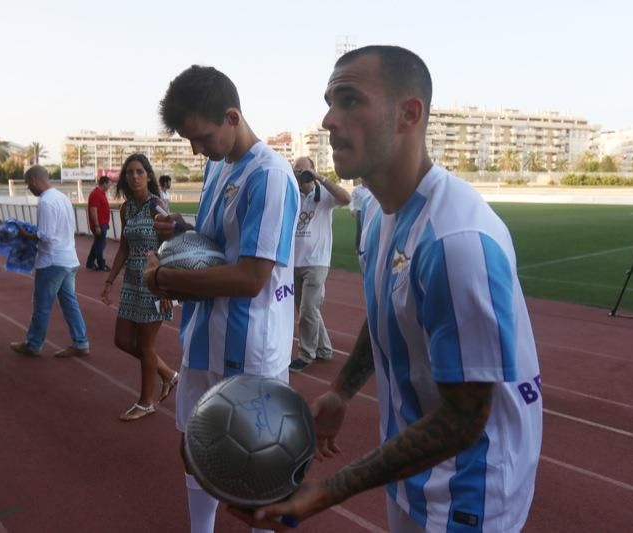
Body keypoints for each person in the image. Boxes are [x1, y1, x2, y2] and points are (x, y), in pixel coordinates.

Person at [230, 46, 542, 533]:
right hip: (412, 476)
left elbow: (463, 421)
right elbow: (386, 314)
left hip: (471, 490)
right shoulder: (375, 213)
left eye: (350, 100)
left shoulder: (457, 241)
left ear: (408, 114)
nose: (329, 118)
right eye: (330, 101)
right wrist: (341, 390)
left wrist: (330, 491)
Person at [146, 64, 299, 533]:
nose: (196, 149)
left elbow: (252, 276)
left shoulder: (270, 176)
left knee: (256, 465)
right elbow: (218, 243)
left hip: (250, 352)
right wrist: (182, 232)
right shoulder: (219, 166)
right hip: (203, 338)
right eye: (189, 141)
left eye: (203, 137)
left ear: (232, 116)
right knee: (195, 450)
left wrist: (163, 279)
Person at [99, 154, 178, 421]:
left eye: (139, 172)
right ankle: (167, 373)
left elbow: (171, 245)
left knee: (146, 346)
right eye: (130, 172)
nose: (134, 177)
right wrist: (110, 281)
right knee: (122, 339)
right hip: (131, 282)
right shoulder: (127, 208)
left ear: (148, 175)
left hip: (153, 284)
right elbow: (123, 247)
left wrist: (166, 287)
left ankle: (146, 402)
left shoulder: (157, 206)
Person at [10, 166, 90, 359]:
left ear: (36, 180)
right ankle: (81, 342)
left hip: (52, 261)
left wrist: (24, 234)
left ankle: (33, 343)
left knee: (42, 305)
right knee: (70, 303)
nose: (30, 189)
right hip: (69, 259)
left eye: (29, 184)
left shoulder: (45, 202)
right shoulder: (62, 198)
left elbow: (45, 236)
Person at [288, 156, 350, 372]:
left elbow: (346, 198)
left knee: (307, 310)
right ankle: (324, 349)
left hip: (316, 262)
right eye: (297, 171)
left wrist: (319, 178)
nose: (300, 175)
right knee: (308, 310)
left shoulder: (324, 195)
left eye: (304, 171)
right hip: (294, 263)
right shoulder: (293, 195)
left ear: (313, 171)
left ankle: (306, 354)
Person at [85, 175, 111, 272]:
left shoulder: (101, 194)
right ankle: (101, 264)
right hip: (99, 224)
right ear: (104, 184)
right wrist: (97, 225)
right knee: (100, 245)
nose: (109, 187)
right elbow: (93, 210)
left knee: (97, 244)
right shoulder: (96, 194)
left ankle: (90, 262)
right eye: (109, 184)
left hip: (102, 223)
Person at [349, 178, 372, 252]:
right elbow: (351, 199)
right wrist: (352, 209)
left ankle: (368, 246)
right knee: (360, 230)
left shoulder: (372, 188)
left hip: (370, 211)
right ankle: (358, 247)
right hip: (360, 211)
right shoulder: (357, 189)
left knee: (369, 229)